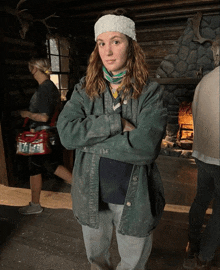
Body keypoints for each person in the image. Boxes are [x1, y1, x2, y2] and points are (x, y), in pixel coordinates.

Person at [57, 9, 167, 270]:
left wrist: (88, 141)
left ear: (131, 45)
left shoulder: (150, 93)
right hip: (91, 197)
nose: (107, 51)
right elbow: (65, 134)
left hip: (135, 198)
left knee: (132, 263)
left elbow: (144, 148)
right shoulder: (84, 90)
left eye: (116, 41)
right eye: (101, 43)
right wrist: (114, 123)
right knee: (96, 261)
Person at [18, 58, 72, 215]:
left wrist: (26, 114)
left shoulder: (45, 89)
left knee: (50, 166)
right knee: (37, 167)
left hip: (43, 135)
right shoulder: (49, 87)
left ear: (35, 68)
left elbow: (44, 117)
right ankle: (35, 204)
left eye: (30, 67)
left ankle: (86, 188)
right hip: (45, 135)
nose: (30, 71)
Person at [183, 64, 220, 268]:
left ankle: (193, 245)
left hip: (202, 153)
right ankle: (204, 257)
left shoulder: (205, 80)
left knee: (201, 199)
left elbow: (196, 114)